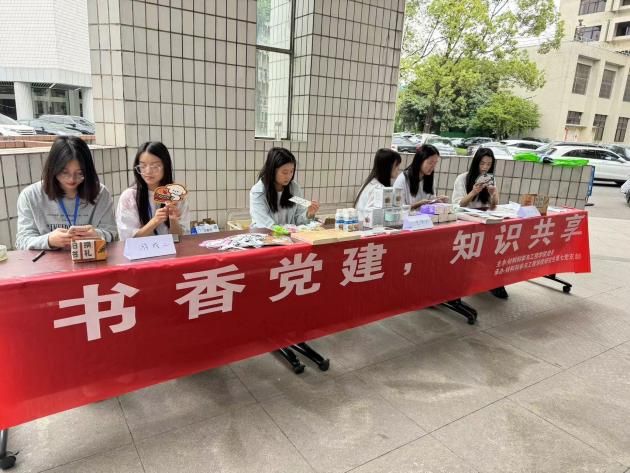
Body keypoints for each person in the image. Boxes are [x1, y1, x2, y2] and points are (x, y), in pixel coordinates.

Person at [16, 136, 117, 250]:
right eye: (64, 172)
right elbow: (22, 241)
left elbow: (112, 233)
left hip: (89, 259)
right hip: (48, 260)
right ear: (53, 169)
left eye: (80, 173)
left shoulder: (100, 193)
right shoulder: (31, 196)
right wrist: (49, 240)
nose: (72, 179)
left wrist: (98, 235)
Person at [452, 147, 508, 299]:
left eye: (488, 164)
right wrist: (473, 192)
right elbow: (457, 205)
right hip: (466, 223)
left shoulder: (490, 179)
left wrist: (493, 194)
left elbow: (494, 205)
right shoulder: (462, 178)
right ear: (476, 162)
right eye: (482, 163)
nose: (485, 167)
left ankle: (493, 282)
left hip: (484, 222)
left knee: (497, 245)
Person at [116, 141, 190, 241]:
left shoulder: (176, 194)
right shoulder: (129, 196)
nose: (148, 171)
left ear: (166, 166)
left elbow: (182, 238)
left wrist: (173, 221)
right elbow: (126, 239)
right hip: (141, 251)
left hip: (171, 250)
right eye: (143, 166)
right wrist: (155, 221)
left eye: (155, 166)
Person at [249, 147, 319, 228]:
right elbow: (264, 223)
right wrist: (284, 231)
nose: (289, 176)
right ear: (272, 170)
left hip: (289, 234)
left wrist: (309, 214)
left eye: (291, 171)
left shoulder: (294, 188)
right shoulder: (258, 191)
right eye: (285, 172)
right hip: (266, 234)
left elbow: (298, 219)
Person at [393, 144, 449, 209]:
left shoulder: (429, 178)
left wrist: (437, 200)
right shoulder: (403, 179)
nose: (433, 167)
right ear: (419, 161)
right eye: (430, 163)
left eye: (435, 163)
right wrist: (417, 205)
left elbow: (430, 201)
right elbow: (397, 208)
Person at [354, 148, 402, 221]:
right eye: (396, 165)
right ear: (387, 166)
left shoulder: (370, 182)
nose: (398, 168)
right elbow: (371, 216)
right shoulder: (378, 189)